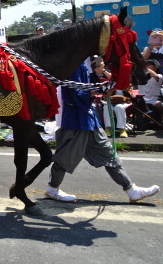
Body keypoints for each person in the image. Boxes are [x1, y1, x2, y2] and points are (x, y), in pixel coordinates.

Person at [45, 62, 159, 203]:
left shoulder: (84, 64)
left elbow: (85, 91)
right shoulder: (75, 65)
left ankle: (131, 190)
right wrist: (104, 89)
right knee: (65, 157)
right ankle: (53, 188)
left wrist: (106, 88)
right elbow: (76, 94)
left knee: (108, 153)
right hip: (76, 120)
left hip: (89, 119)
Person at [89, 57, 130, 138]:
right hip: (108, 101)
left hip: (121, 100)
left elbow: (114, 79)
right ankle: (108, 128)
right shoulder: (93, 77)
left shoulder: (115, 76)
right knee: (107, 107)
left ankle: (122, 129)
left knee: (119, 107)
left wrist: (104, 70)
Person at [137, 59, 163, 125]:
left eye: (150, 65)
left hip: (154, 100)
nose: (148, 67)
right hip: (142, 100)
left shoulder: (159, 76)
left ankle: (161, 120)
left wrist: (145, 67)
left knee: (160, 104)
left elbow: (156, 77)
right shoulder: (139, 77)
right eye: (147, 65)